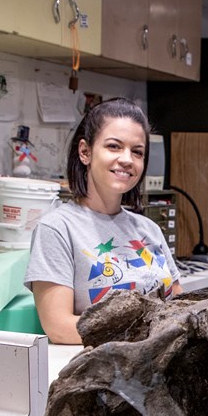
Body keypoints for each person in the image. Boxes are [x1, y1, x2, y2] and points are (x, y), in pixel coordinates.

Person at [24, 98, 182, 344]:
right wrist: (146, 331)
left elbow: (179, 307)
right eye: (114, 147)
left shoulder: (148, 229)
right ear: (85, 152)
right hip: (101, 372)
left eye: (137, 152)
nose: (127, 159)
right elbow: (58, 326)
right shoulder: (57, 229)